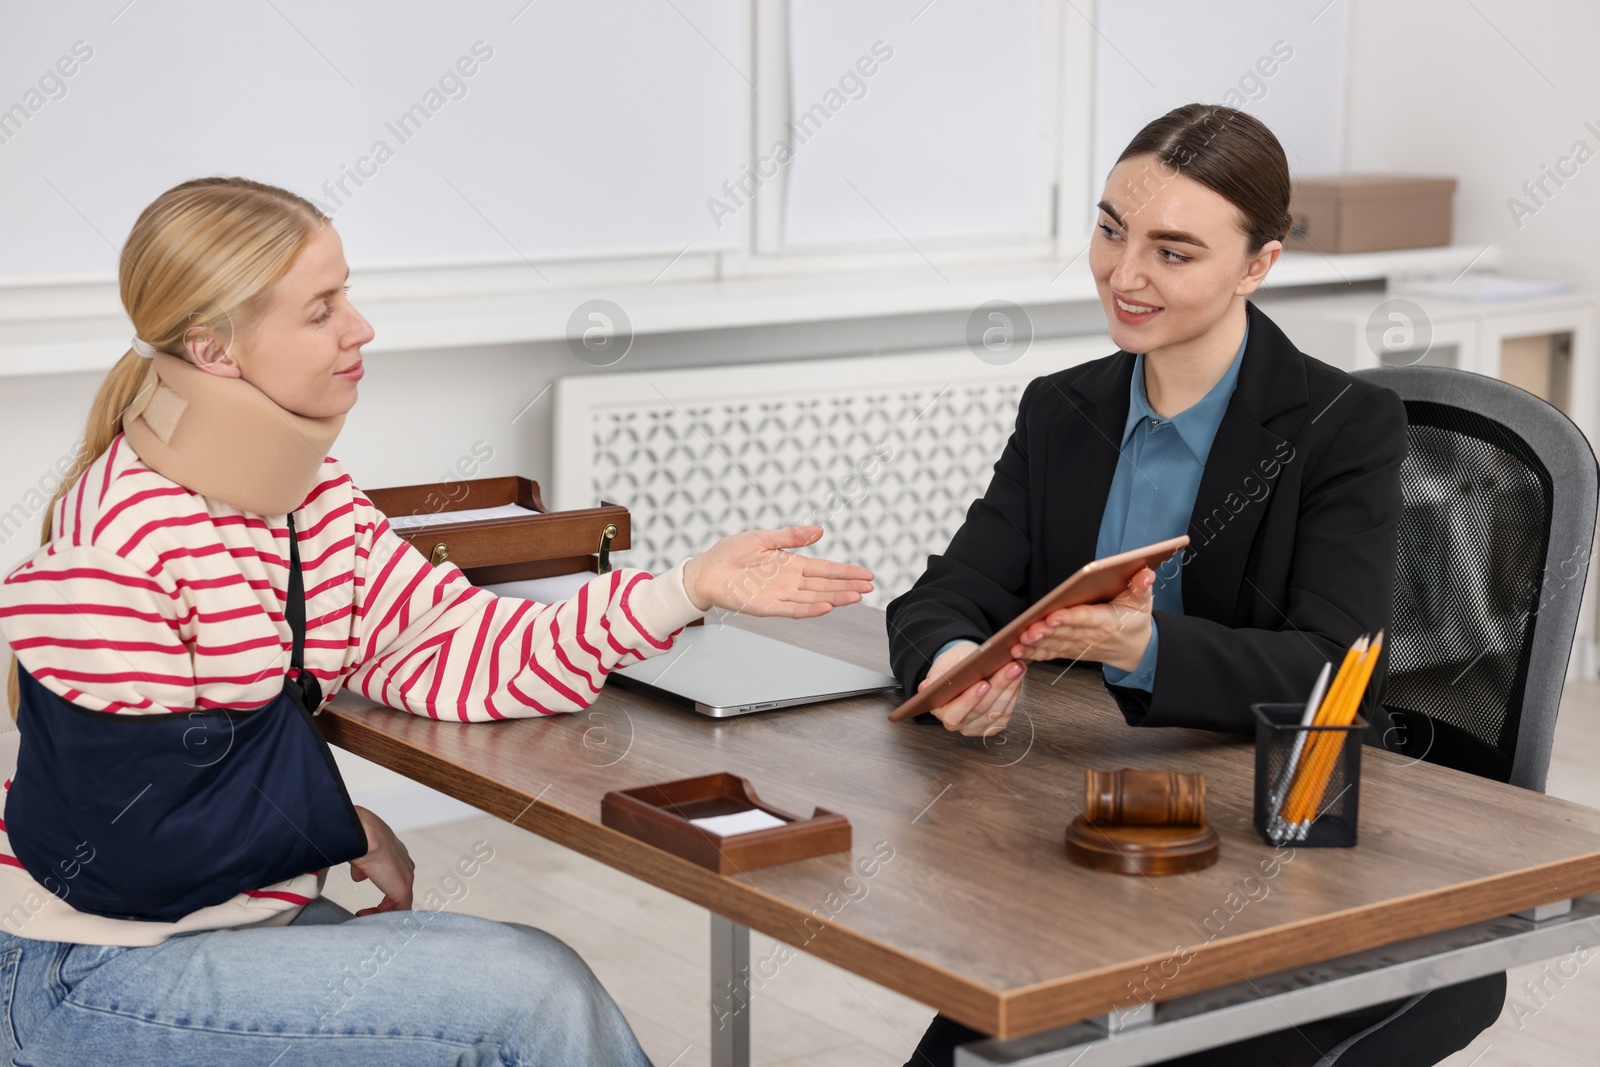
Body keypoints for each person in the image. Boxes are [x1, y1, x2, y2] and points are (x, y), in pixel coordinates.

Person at [0, 176, 874, 1065]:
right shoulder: (112, 547)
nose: (360, 327)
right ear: (212, 349)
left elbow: (468, 648)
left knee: (529, 988)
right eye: (321, 309)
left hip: (231, 916)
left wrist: (685, 588)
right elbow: (135, 846)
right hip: (92, 965)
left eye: (349, 295)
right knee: (531, 995)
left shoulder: (313, 505)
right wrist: (334, 822)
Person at [886, 104, 1504, 1066]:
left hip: (1280, 852)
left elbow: (1333, 672)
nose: (1124, 274)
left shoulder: (1343, 428)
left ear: (1259, 263)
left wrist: (1142, 646)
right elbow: (945, 590)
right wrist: (960, 663)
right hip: (1099, 834)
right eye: (1110, 229)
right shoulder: (1064, 411)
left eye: (1173, 252)